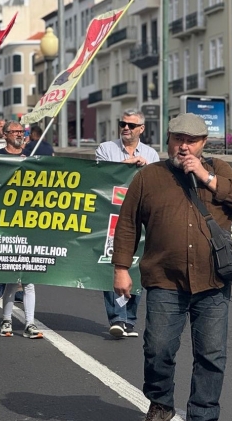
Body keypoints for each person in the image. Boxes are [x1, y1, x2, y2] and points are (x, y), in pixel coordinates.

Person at [111, 113, 232, 421]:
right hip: (165, 280)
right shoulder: (149, 177)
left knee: (211, 356)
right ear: (168, 140)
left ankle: (203, 415)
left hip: (212, 281)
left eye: (191, 141)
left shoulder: (218, 170)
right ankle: (161, 403)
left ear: (204, 143)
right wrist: (121, 268)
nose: (184, 147)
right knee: (158, 349)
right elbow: (127, 224)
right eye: (178, 139)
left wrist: (206, 177)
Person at [95, 109, 160, 339]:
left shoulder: (151, 154)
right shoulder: (106, 149)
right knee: (113, 262)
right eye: (122, 123)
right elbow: (101, 177)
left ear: (141, 129)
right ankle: (117, 318)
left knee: (137, 265)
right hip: (112, 215)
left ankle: (129, 319)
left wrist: (147, 170)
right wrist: (127, 164)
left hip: (140, 218)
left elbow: (158, 185)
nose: (125, 128)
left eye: (131, 125)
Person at [0, 121, 43, 339]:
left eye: (22, 132)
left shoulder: (32, 158)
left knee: (28, 278)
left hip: (27, 224)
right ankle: (6, 320)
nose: (20, 135)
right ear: (5, 135)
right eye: (15, 132)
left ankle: (30, 323)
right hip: (4, 225)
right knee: (11, 277)